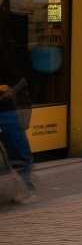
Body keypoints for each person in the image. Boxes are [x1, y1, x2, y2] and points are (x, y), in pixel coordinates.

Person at [0, 12, 34, 202]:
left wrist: (14, 88)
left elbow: (17, 65)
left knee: (18, 149)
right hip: (5, 102)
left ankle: (24, 188)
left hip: (5, 102)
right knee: (18, 149)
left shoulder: (11, 23)